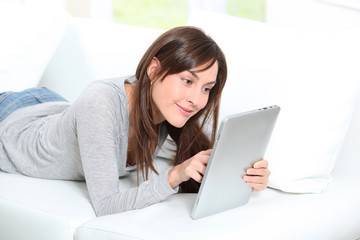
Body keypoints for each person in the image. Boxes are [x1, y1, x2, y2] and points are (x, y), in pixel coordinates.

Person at [0, 26, 270, 216]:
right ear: (154, 69)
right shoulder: (101, 102)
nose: (196, 99)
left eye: (206, 88)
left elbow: (196, 167)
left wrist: (246, 177)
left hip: (51, 104)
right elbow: (106, 206)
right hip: (11, 119)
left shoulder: (168, 109)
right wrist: (174, 174)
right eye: (188, 80)